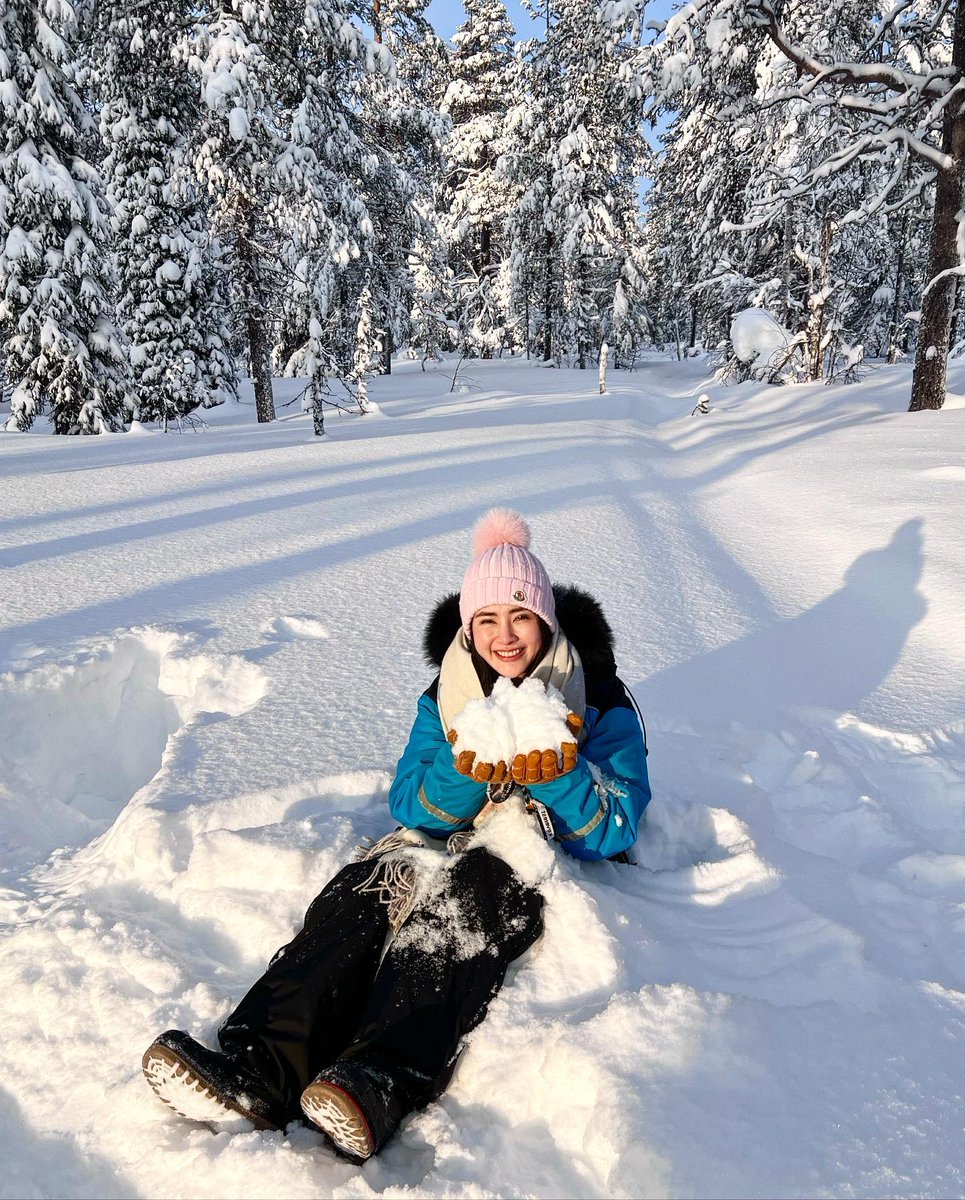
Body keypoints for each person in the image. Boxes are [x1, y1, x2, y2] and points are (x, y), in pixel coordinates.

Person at [142, 508, 651, 1161]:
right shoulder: (446, 695)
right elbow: (412, 804)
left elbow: (615, 826)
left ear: (545, 621)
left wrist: (557, 776)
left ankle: (379, 1078)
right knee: (366, 892)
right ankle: (258, 1069)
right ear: (468, 627)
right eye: (487, 620)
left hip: (524, 853)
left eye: (520, 617)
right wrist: (464, 771)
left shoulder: (600, 697)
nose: (505, 636)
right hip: (439, 842)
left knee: (463, 908)